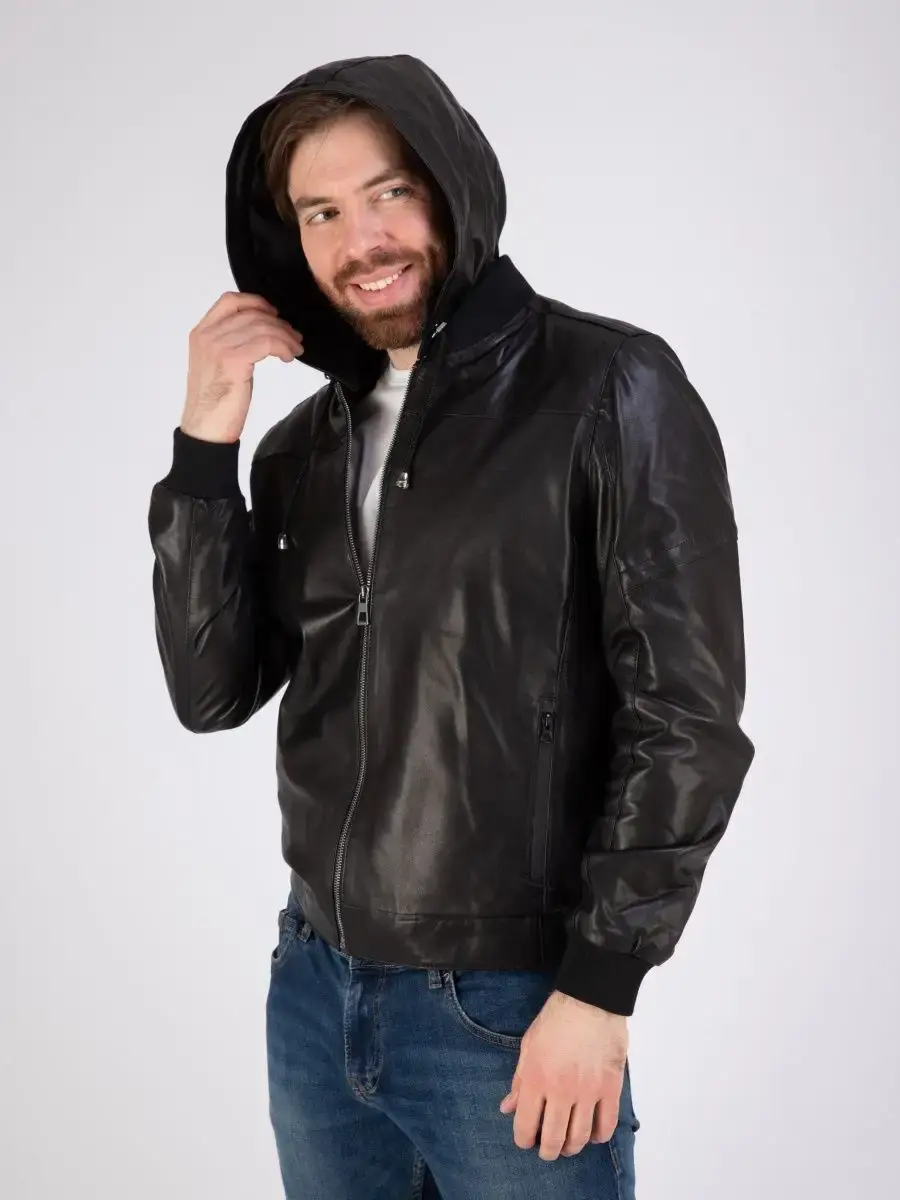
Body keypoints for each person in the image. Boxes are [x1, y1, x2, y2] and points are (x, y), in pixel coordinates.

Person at [148, 52, 755, 1200]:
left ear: (454, 187)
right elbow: (211, 690)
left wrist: (600, 986)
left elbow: (686, 717)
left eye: (390, 192)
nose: (361, 239)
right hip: (314, 988)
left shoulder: (607, 387)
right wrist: (204, 448)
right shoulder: (300, 449)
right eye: (322, 212)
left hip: (510, 1002)